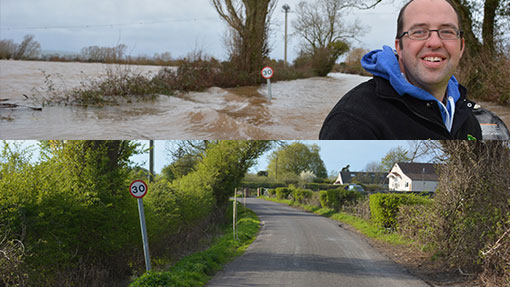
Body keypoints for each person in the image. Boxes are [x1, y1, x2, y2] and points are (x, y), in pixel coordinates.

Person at [319, 0, 483, 140]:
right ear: (399, 47)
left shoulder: (468, 118)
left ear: (461, 47)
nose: (435, 42)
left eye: (447, 31)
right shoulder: (353, 121)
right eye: (419, 32)